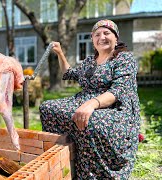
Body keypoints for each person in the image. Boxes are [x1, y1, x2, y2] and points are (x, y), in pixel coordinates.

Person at [39, 19, 141, 179]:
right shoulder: (89, 62)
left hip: (115, 107)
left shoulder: (124, 59)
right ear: (93, 40)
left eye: (107, 33)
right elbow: (69, 74)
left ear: (116, 38)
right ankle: (65, 160)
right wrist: (60, 53)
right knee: (48, 108)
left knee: (90, 121)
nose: (102, 37)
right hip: (85, 100)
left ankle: (92, 173)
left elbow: (118, 91)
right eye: (97, 34)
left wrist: (92, 104)